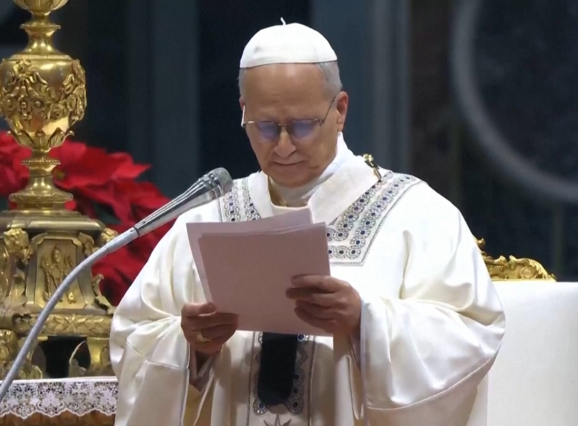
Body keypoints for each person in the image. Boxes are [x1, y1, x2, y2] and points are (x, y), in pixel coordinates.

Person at [110, 21, 505, 426]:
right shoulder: (208, 219)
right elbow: (133, 342)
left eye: (301, 126)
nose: (283, 146)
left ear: (340, 110)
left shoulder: (417, 215)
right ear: (243, 110)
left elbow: (471, 336)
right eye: (265, 127)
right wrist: (191, 348)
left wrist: (364, 321)